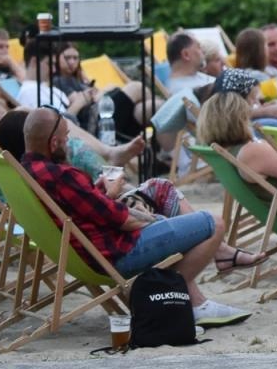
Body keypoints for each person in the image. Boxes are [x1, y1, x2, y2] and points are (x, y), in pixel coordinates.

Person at [18, 107, 250, 325]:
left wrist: (101, 194)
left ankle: (197, 304)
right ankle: (164, 299)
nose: (68, 142)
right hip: (117, 254)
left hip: (87, 252)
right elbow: (124, 221)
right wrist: (155, 219)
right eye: (66, 138)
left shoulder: (26, 171)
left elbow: (81, 207)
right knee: (213, 224)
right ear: (54, 142)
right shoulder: (63, 176)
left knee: (163, 201)